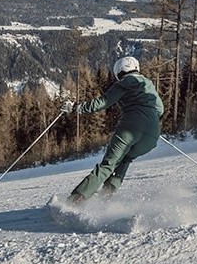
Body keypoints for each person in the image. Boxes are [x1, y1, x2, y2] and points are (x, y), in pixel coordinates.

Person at [61, 56, 164, 204]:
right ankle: (106, 195)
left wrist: (75, 107)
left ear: (119, 72)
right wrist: (148, 121)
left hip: (130, 127)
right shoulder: (149, 84)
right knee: (125, 159)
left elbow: (102, 102)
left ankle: (74, 201)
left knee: (108, 165)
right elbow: (160, 109)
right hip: (152, 134)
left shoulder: (123, 83)